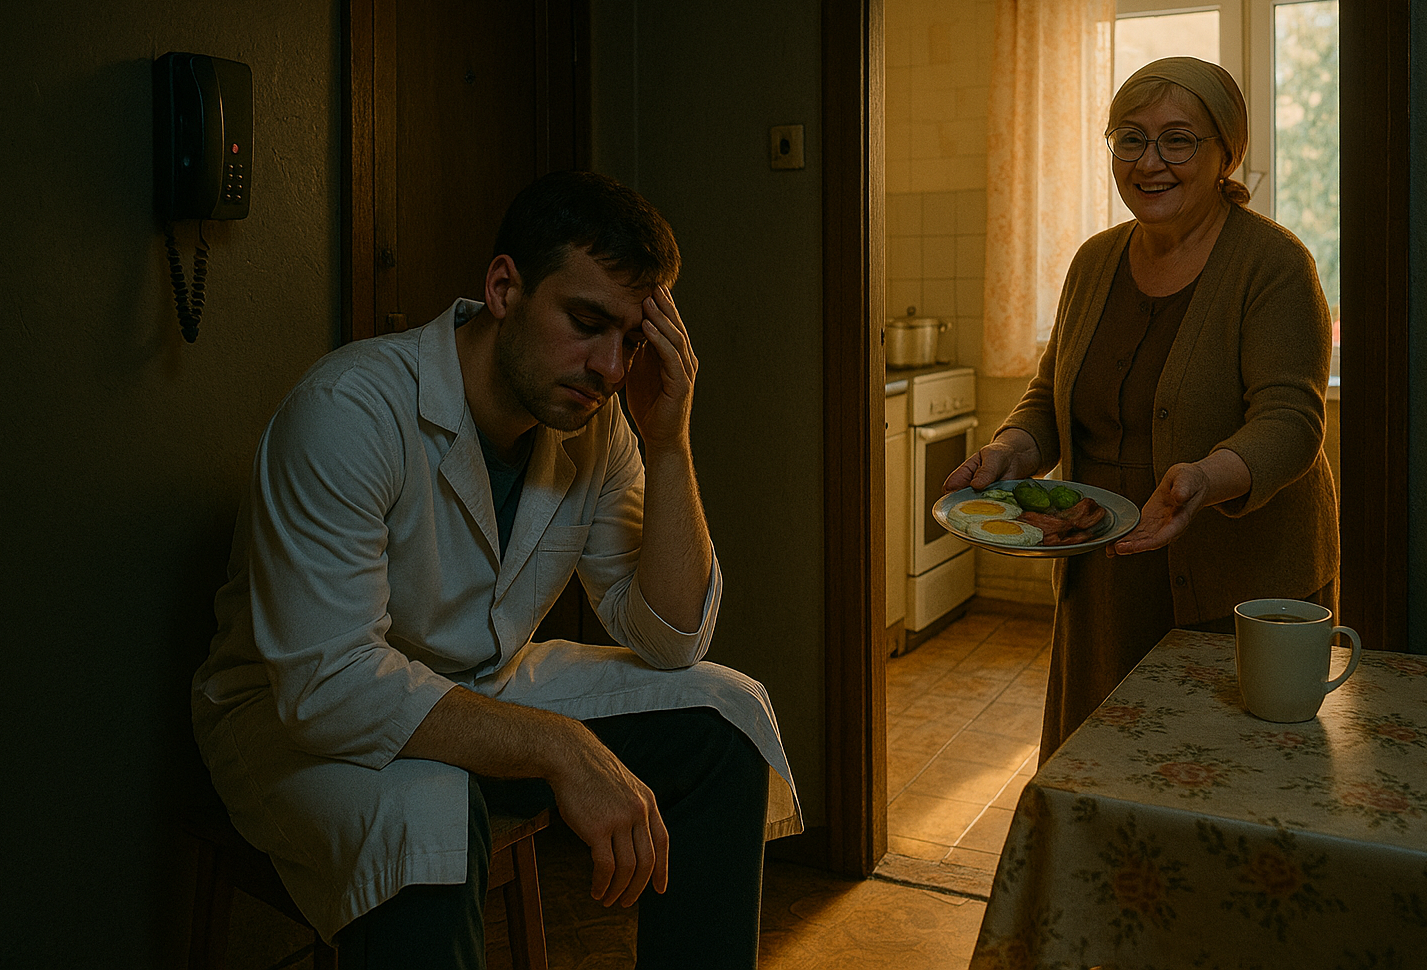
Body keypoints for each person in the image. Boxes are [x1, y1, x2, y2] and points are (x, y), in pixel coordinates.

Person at [192, 170, 801, 969]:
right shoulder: (348, 411)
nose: (611, 367)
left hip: (483, 683)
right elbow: (329, 687)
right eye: (587, 323)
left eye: (630, 340)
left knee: (726, 717)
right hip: (295, 721)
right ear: (504, 288)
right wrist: (558, 748)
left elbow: (671, 639)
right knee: (425, 815)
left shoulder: (600, 426)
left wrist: (668, 441)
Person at [945, 57, 1338, 762]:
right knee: (1101, 769)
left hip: (1237, 586)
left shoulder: (1273, 264)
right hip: (1108, 581)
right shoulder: (1094, 262)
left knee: (1220, 777)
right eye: (1130, 139)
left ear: (1226, 153)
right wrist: (1010, 450)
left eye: (1178, 140)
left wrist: (1203, 480)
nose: (1149, 162)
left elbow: (1291, 422)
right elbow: (1050, 397)